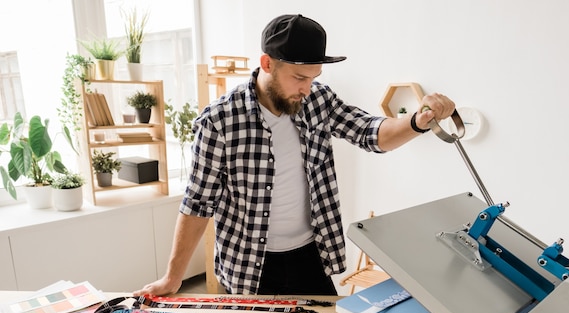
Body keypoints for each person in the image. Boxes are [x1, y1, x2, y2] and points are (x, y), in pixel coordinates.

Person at [133, 14, 455, 296]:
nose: (307, 88)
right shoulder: (219, 121)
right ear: (267, 64)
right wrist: (173, 277)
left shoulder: (319, 101)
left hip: (311, 254)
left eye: (313, 78)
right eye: (299, 78)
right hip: (250, 264)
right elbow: (198, 203)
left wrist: (417, 122)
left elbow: (369, 133)